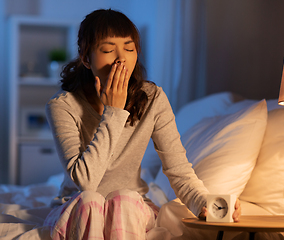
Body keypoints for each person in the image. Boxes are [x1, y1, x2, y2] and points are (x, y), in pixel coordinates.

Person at [43, 8, 240, 239]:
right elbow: (85, 183)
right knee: (90, 201)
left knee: (123, 199)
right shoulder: (63, 105)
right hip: (78, 205)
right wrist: (114, 112)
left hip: (130, 205)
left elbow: (178, 169)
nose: (121, 58)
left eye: (129, 48)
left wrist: (205, 204)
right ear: (86, 58)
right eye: (107, 50)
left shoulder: (153, 98)